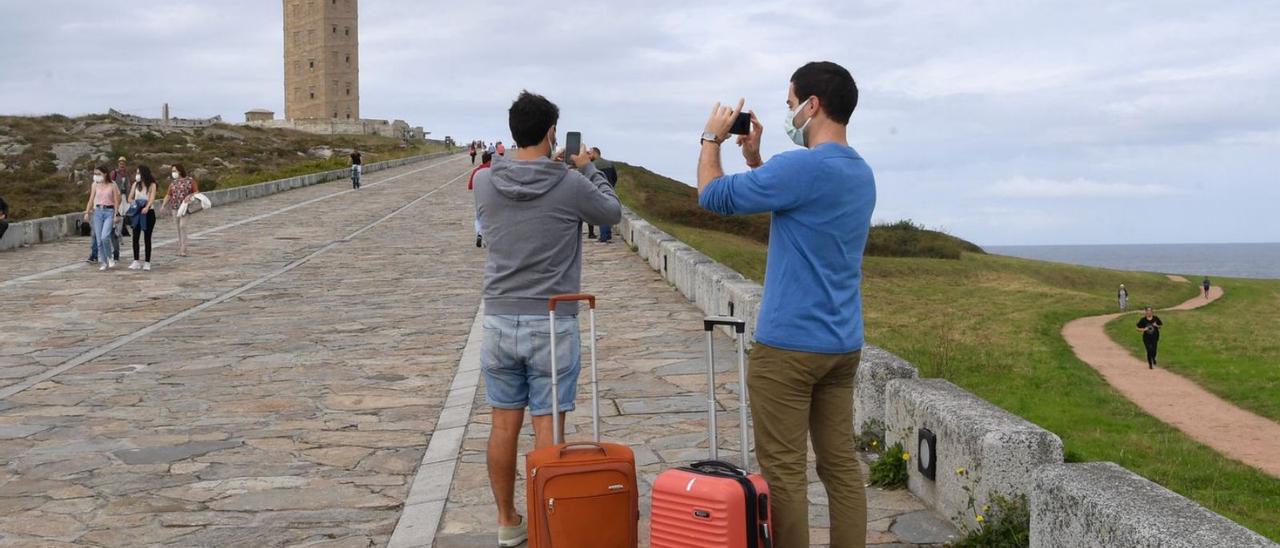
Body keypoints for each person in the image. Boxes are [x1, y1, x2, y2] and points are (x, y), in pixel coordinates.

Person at [697, 61, 874, 548]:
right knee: (840, 467)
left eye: (792, 104)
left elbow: (712, 196)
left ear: (813, 105)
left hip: (789, 348)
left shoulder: (800, 167)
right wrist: (756, 160)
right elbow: (802, 206)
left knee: (784, 473)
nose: (790, 113)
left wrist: (710, 139)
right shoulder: (860, 173)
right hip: (841, 345)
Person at [473, 90, 621, 547]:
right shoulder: (569, 183)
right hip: (552, 320)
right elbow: (611, 212)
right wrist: (584, 166)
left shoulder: (483, 181)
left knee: (502, 425)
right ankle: (542, 524)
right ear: (552, 131)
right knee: (546, 428)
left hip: (498, 317)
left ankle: (506, 520)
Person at [83, 165, 122, 271]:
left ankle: (110, 257)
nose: (96, 176)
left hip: (109, 211)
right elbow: (91, 199)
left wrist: (116, 214)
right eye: (95, 174)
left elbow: (116, 200)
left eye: (98, 174)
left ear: (105, 174)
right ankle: (103, 262)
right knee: (99, 239)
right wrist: (87, 212)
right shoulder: (94, 185)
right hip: (98, 212)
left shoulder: (112, 185)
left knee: (105, 236)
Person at [162, 164, 199, 257]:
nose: (173, 173)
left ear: (180, 171)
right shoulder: (173, 183)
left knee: (183, 226)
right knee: (178, 228)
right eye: (172, 171)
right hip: (175, 207)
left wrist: (190, 196)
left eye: (175, 171)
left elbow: (196, 192)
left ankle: (184, 248)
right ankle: (181, 247)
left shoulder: (190, 181)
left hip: (186, 207)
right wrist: (163, 205)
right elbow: (168, 195)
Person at [127, 165, 159, 271]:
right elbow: (130, 197)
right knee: (135, 236)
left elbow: (152, 198)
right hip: (137, 212)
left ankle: (147, 261)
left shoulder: (152, 185)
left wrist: (147, 206)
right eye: (136, 173)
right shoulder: (136, 185)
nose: (137, 175)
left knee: (147, 237)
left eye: (139, 173)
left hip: (148, 213)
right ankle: (136, 260)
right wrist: (134, 202)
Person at [590, 147, 619, 243]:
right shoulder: (609, 163)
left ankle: (603, 236)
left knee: (601, 213)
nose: (589, 155)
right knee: (608, 212)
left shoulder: (593, 165)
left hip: (598, 191)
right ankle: (608, 234)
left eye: (590, 153)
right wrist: (611, 187)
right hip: (610, 190)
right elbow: (615, 177)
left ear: (595, 153)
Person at [469, 151, 494, 247]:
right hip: (493, 198)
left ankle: (479, 233)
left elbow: (470, 186)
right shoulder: (494, 170)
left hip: (479, 199)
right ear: (490, 160)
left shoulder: (476, 171)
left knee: (478, 218)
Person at [110, 156, 132, 241]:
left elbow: (129, 185)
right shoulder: (114, 173)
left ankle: (119, 232)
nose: (122, 165)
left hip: (124, 196)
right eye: (120, 163)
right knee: (117, 213)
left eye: (123, 163)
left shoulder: (126, 174)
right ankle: (115, 230)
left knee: (123, 214)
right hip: (116, 196)